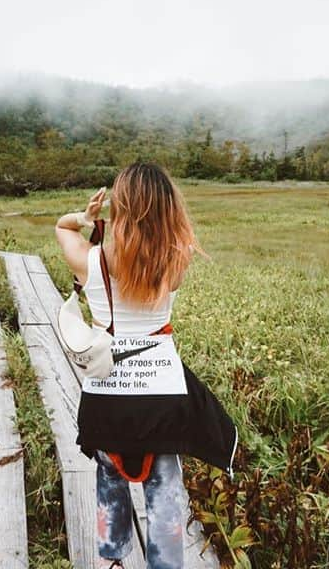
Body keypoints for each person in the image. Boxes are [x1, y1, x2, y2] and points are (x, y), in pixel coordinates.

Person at [55, 162, 237, 569]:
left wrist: (86, 219)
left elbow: (62, 228)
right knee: (165, 487)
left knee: (109, 477)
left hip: (105, 395)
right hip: (162, 394)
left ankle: (114, 561)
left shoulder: (91, 261)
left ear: (117, 206)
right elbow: (180, 241)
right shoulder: (173, 262)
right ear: (166, 210)